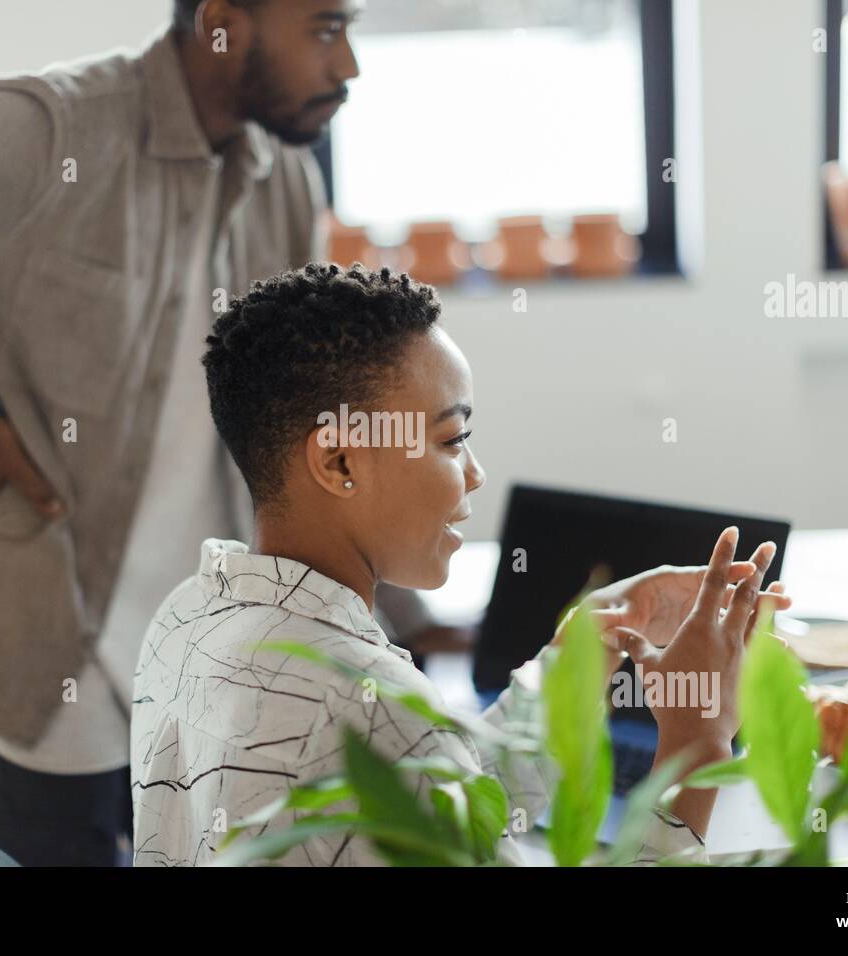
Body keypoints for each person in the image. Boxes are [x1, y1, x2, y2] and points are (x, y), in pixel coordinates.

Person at [0, 1, 447, 866]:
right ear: (224, 20)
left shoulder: (283, 178)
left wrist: (389, 598)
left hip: (201, 650)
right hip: (33, 645)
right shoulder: (40, 131)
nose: (349, 66)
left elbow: (303, 418)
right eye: (325, 30)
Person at [130, 262, 791, 865]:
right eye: (452, 439)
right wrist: (697, 743)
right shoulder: (372, 712)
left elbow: (450, 799)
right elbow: (420, 763)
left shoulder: (185, 617)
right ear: (338, 462)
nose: (474, 474)